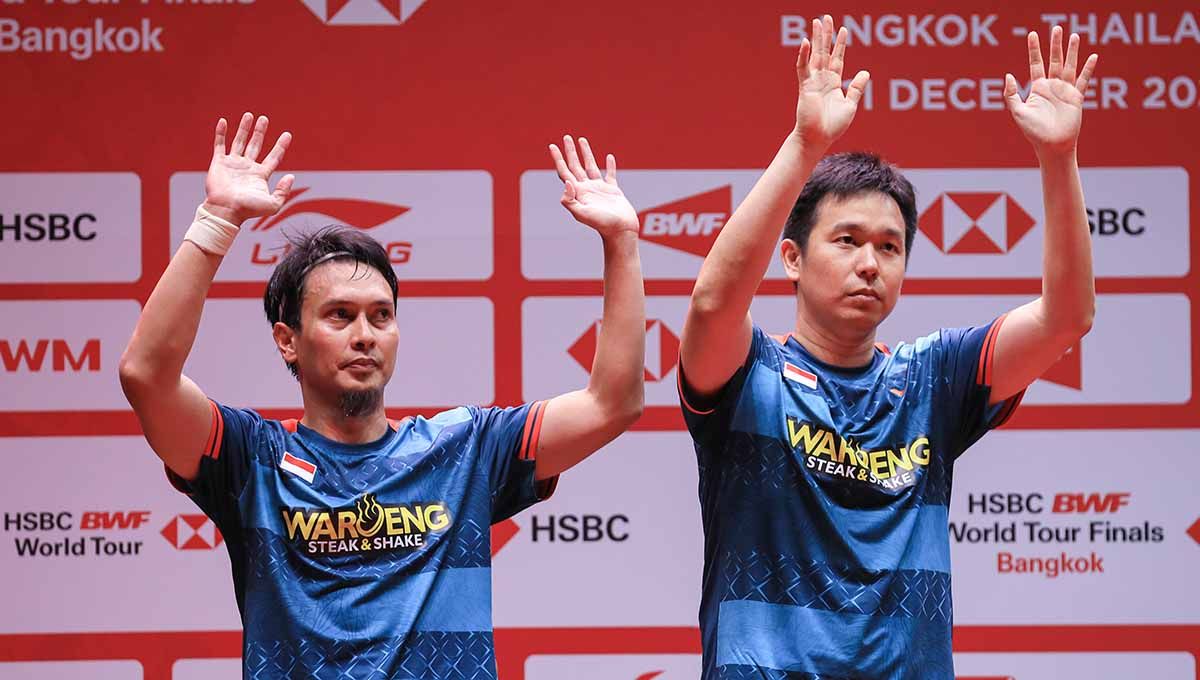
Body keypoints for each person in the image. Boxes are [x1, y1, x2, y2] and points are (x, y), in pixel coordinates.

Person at [118, 114, 646, 679]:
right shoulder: (252, 461)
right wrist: (217, 221)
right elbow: (146, 375)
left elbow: (611, 403)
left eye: (381, 316)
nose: (365, 335)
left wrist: (622, 242)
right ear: (287, 340)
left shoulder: (464, 450)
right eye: (340, 316)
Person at [677, 16, 1097, 679]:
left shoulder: (934, 379)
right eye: (846, 240)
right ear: (791, 257)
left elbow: (1067, 317)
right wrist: (805, 143)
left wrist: (1058, 158)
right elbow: (711, 302)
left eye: (889, 246)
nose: (869, 263)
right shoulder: (748, 376)